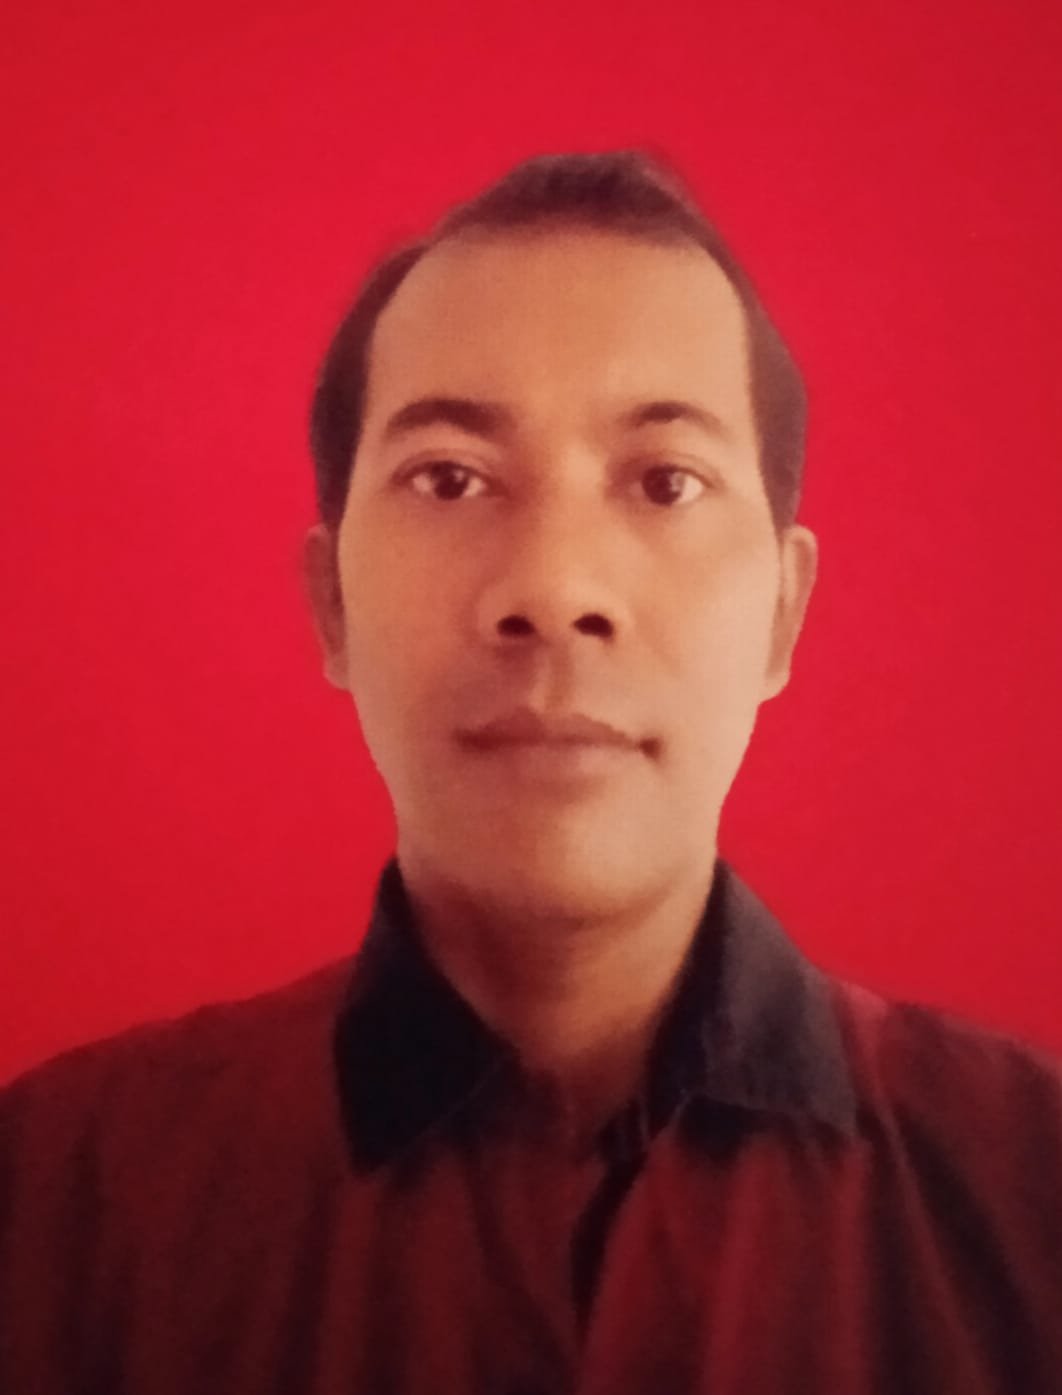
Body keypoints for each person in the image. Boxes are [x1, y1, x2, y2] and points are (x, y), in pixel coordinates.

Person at [1, 150, 1060, 1395]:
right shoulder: (60, 1207)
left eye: (665, 482)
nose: (554, 590)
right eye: (449, 478)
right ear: (331, 603)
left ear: (784, 614)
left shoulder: (1028, 1190)